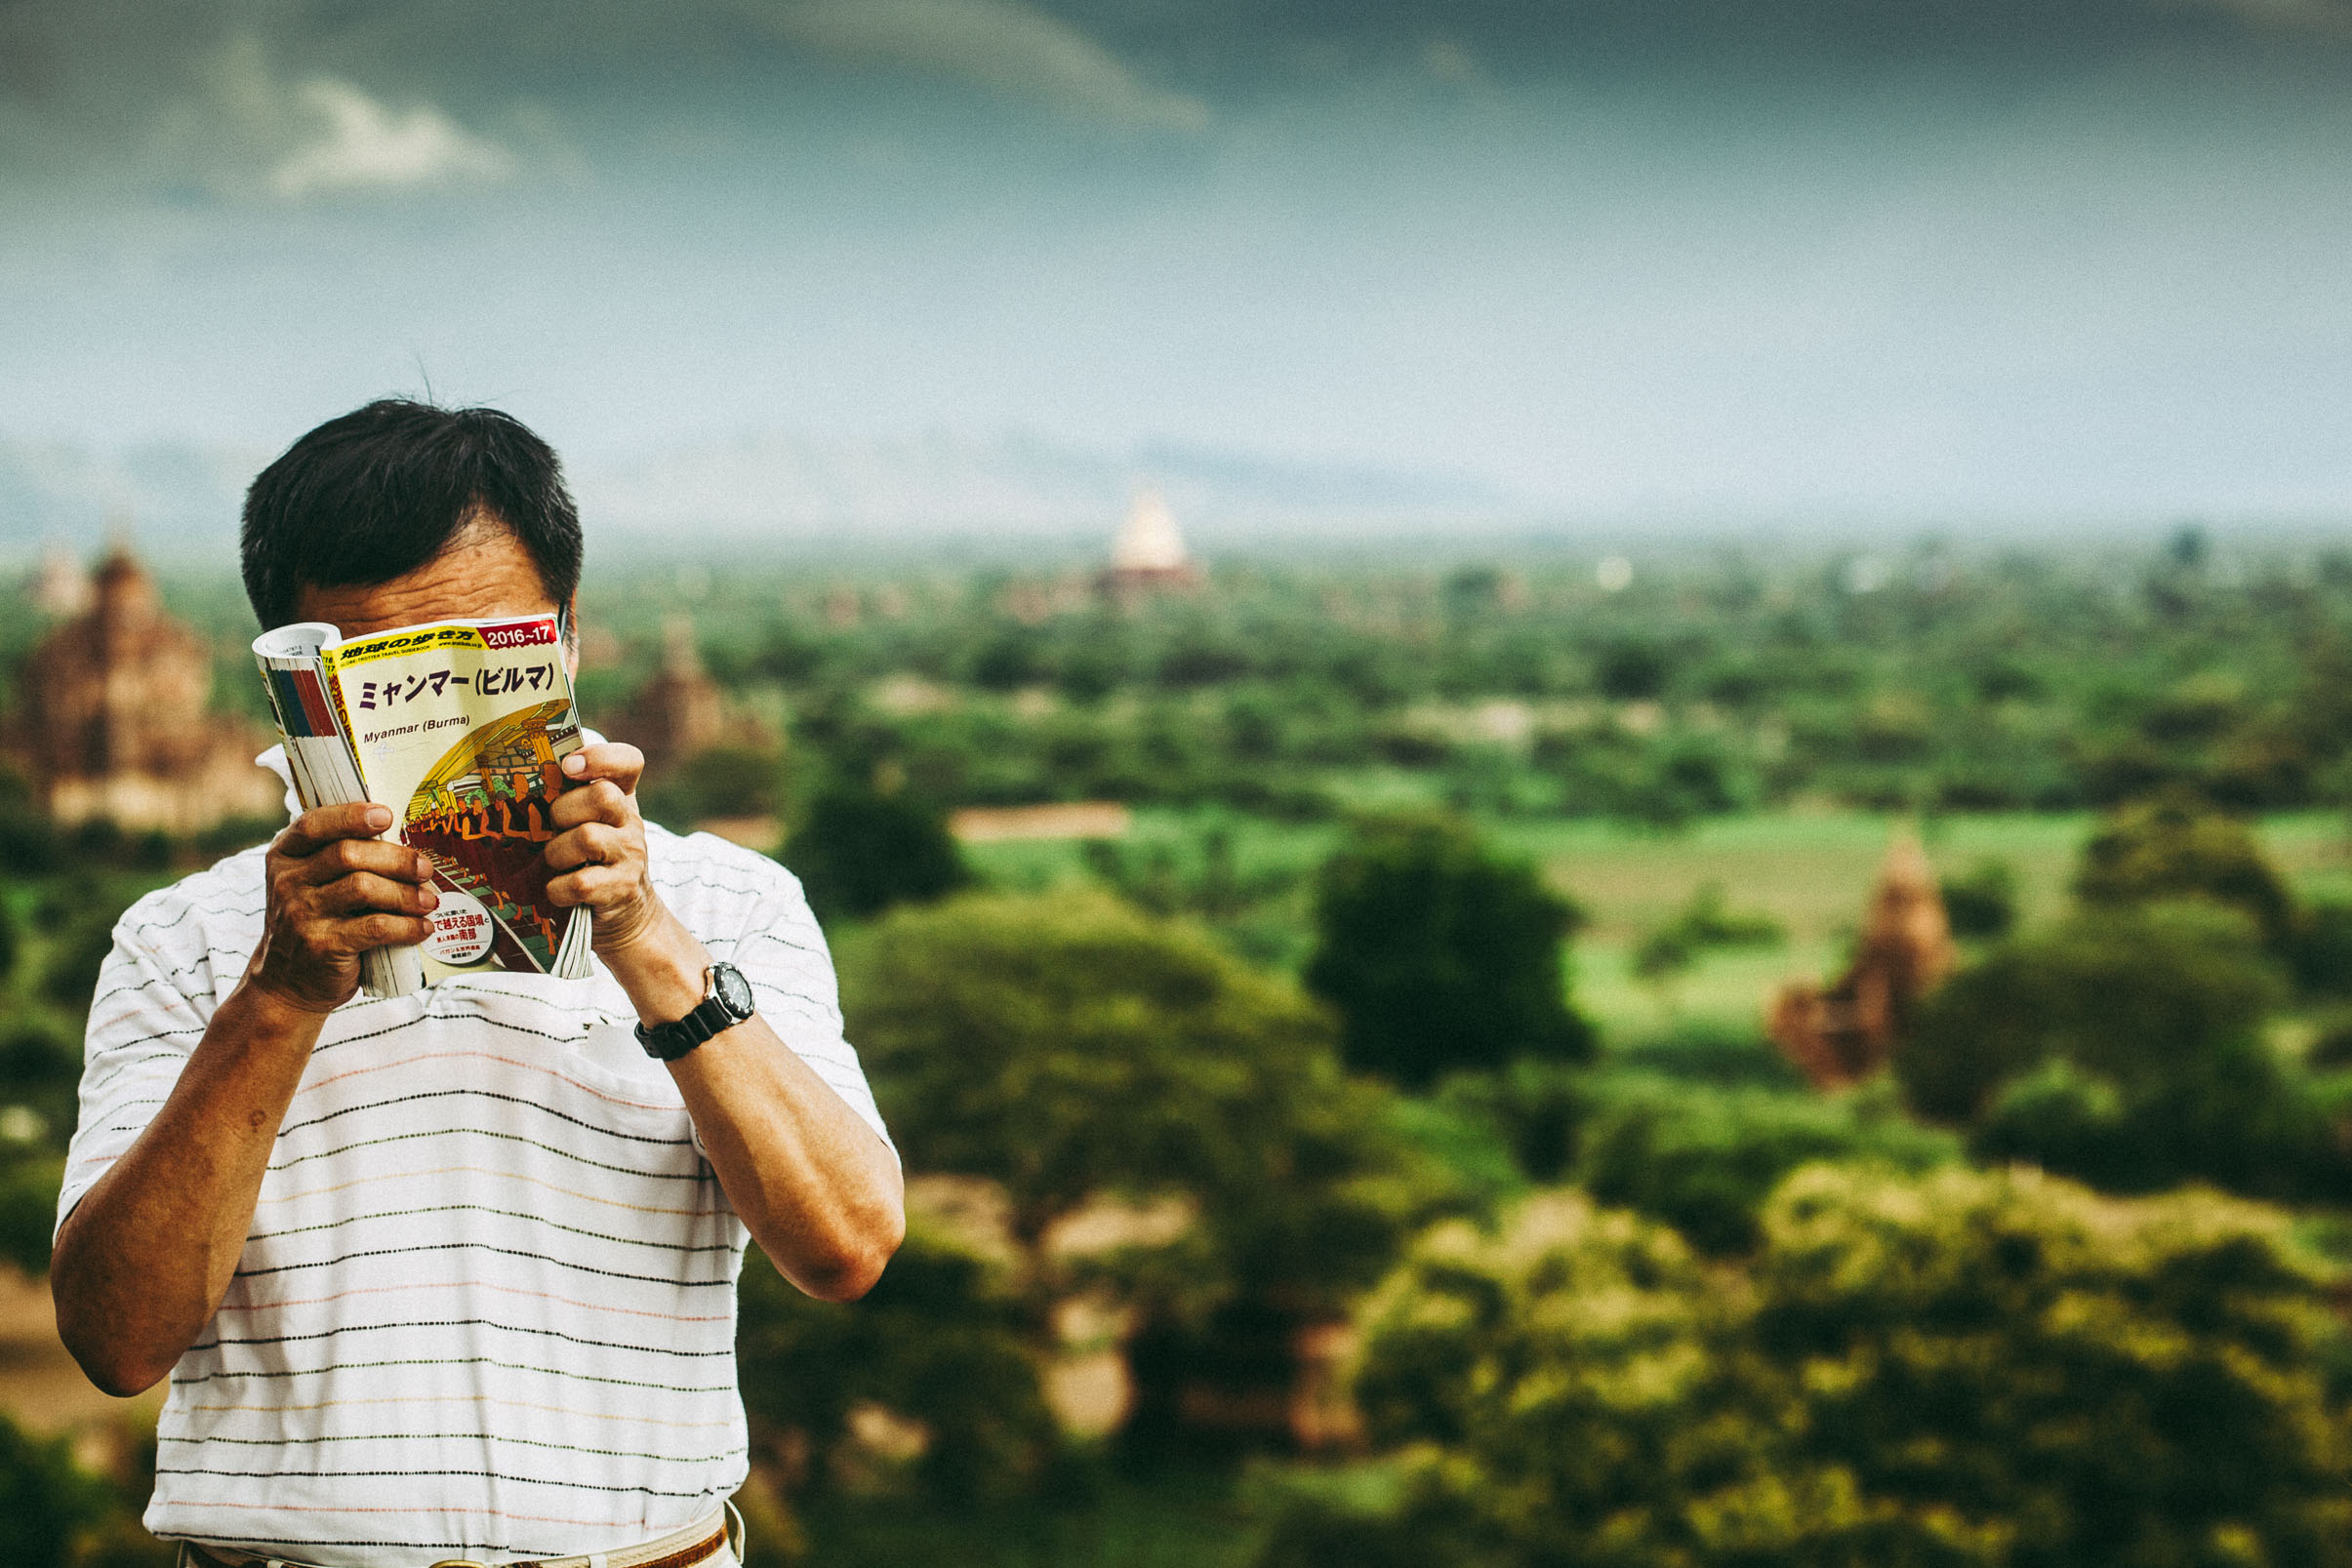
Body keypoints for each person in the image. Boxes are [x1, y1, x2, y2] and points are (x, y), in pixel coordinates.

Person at [50, 400, 905, 1567]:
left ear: (558, 637)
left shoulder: (734, 906)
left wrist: (646, 937)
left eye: (475, 659)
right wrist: (279, 996)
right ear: (294, 683)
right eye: (379, 675)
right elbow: (118, 1338)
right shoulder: (182, 938)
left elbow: (846, 1244)